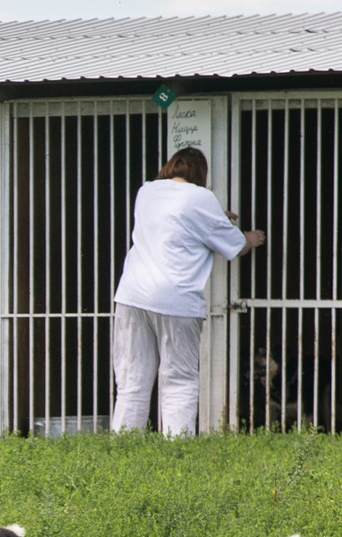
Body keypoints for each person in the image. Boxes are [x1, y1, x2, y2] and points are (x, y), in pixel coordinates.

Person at [110, 145, 265, 436]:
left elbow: (173, 221)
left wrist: (216, 216)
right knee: (179, 380)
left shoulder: (146, 192)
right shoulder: (201, 197)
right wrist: (250, 238)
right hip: (175, 299)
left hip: (131, 296)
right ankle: (176, 449)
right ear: (200, 174)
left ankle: (122, 447)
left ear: (171, 167)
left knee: (132, 380)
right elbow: (233, 247)